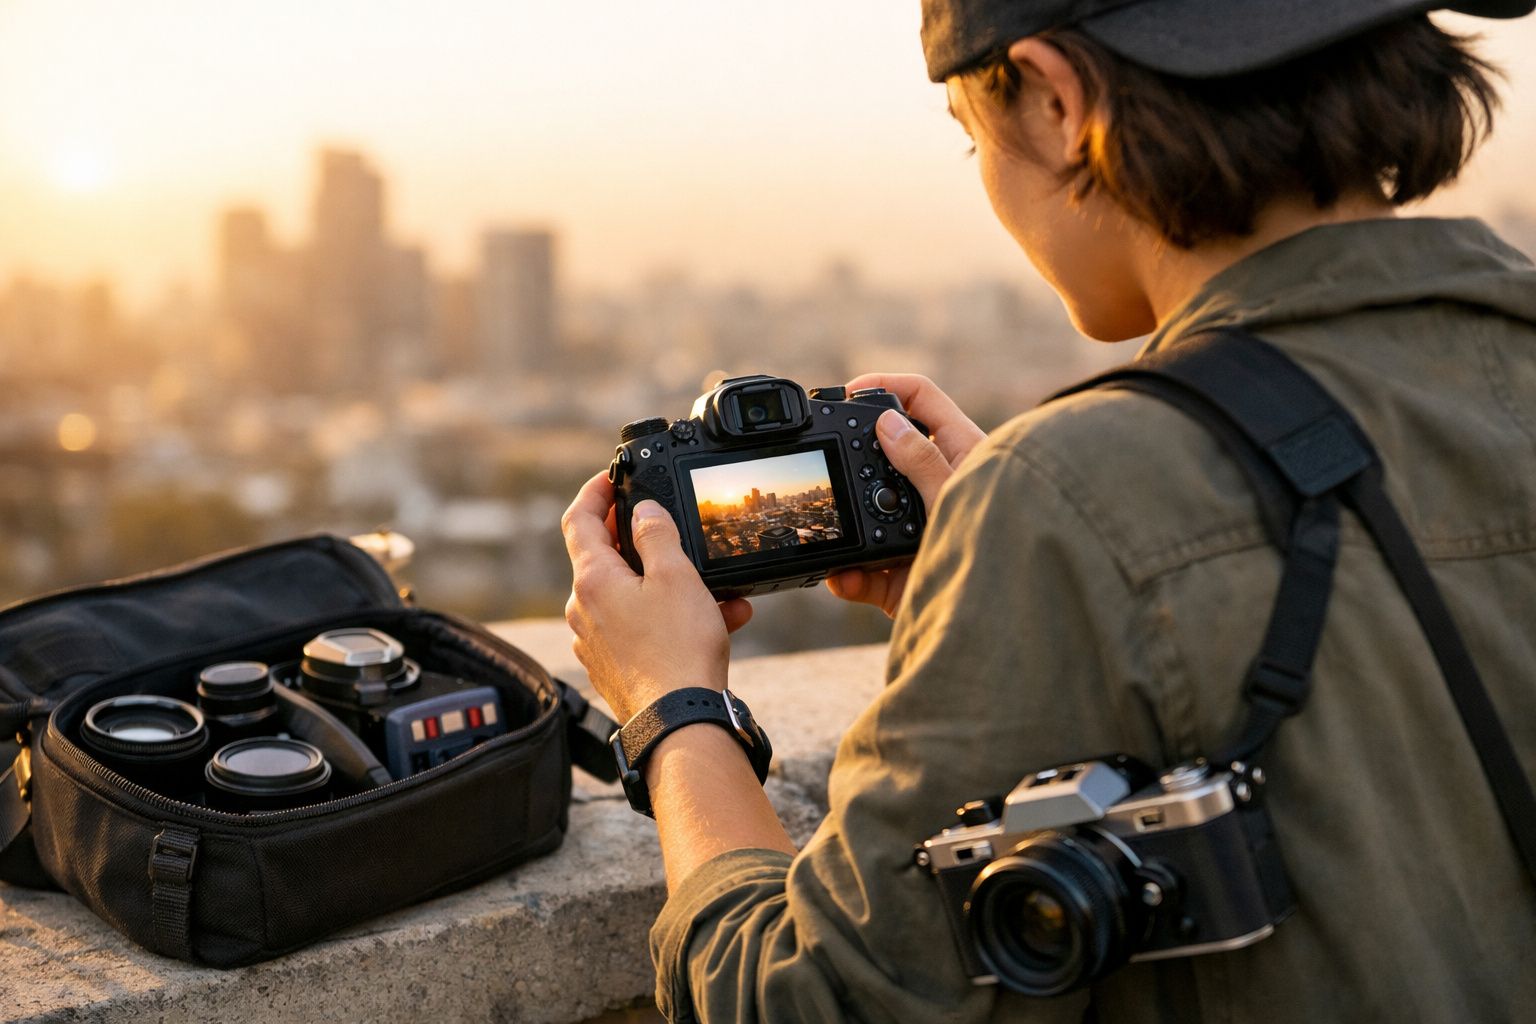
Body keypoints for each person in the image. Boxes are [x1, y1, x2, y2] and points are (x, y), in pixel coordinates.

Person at [562, 1, 1536, 1020]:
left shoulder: (1071, 497)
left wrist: (672, 707)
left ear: (1059, 102)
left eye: (970, 137)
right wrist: (1008, 601)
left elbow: (808, 1002)